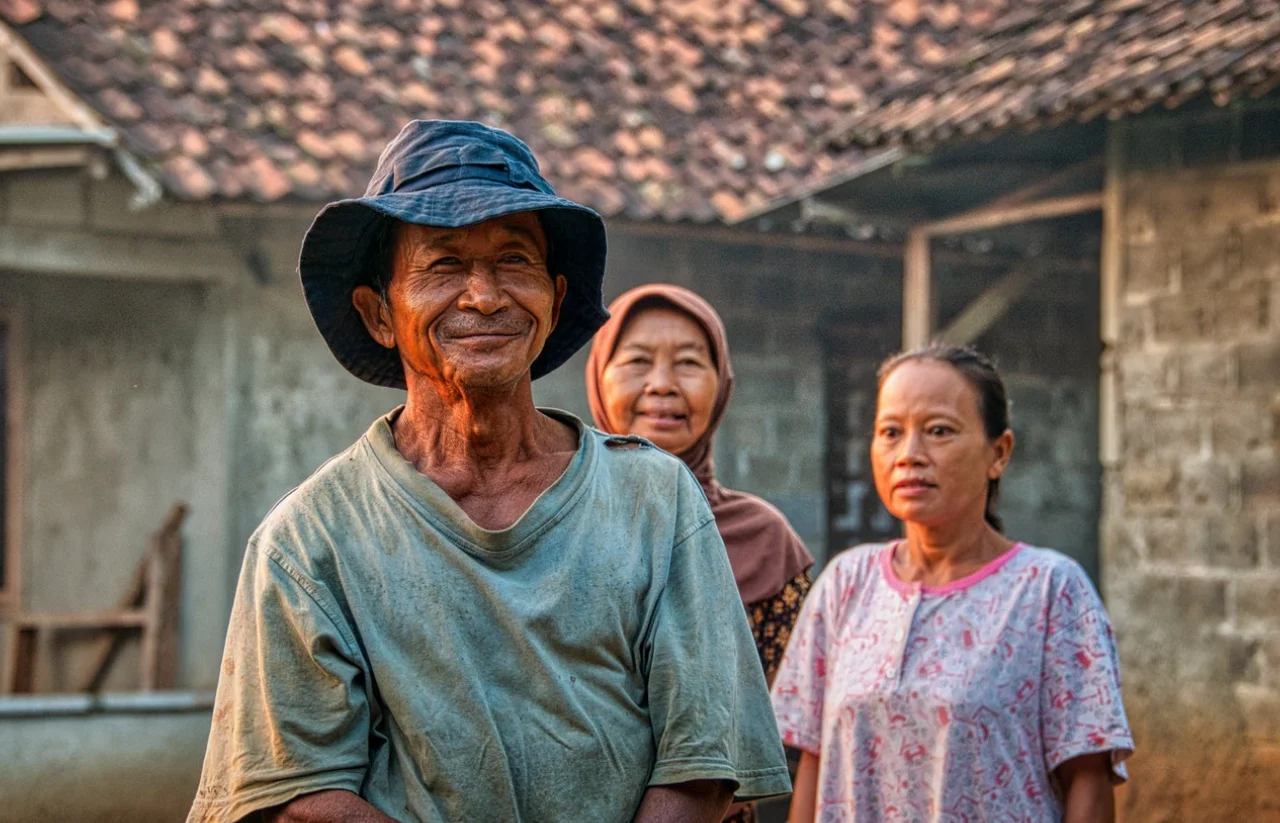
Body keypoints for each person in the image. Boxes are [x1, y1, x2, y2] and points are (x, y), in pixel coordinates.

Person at [186, 120, 791, 823]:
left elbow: (703, 762)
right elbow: (302, 796)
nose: (484, 296)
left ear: (554, 299)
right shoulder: (308, 542)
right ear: (379, 312)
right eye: (444, 265)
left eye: (514, 260)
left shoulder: (656, 502)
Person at [771, 343, 1133, 823]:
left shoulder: (1050, 592)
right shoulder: (846, 584)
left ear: (998, 453)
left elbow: (1088, 782)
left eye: (939, 431)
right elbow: (816, 768)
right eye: (890, 432)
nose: (910, 454)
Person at [586, 284, 815, 823]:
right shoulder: (548, 524)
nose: (662, 386)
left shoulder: (765, 542)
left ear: (722, 385)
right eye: (638, 361)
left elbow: (786, 732)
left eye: (689, 363)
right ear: (599, 377)